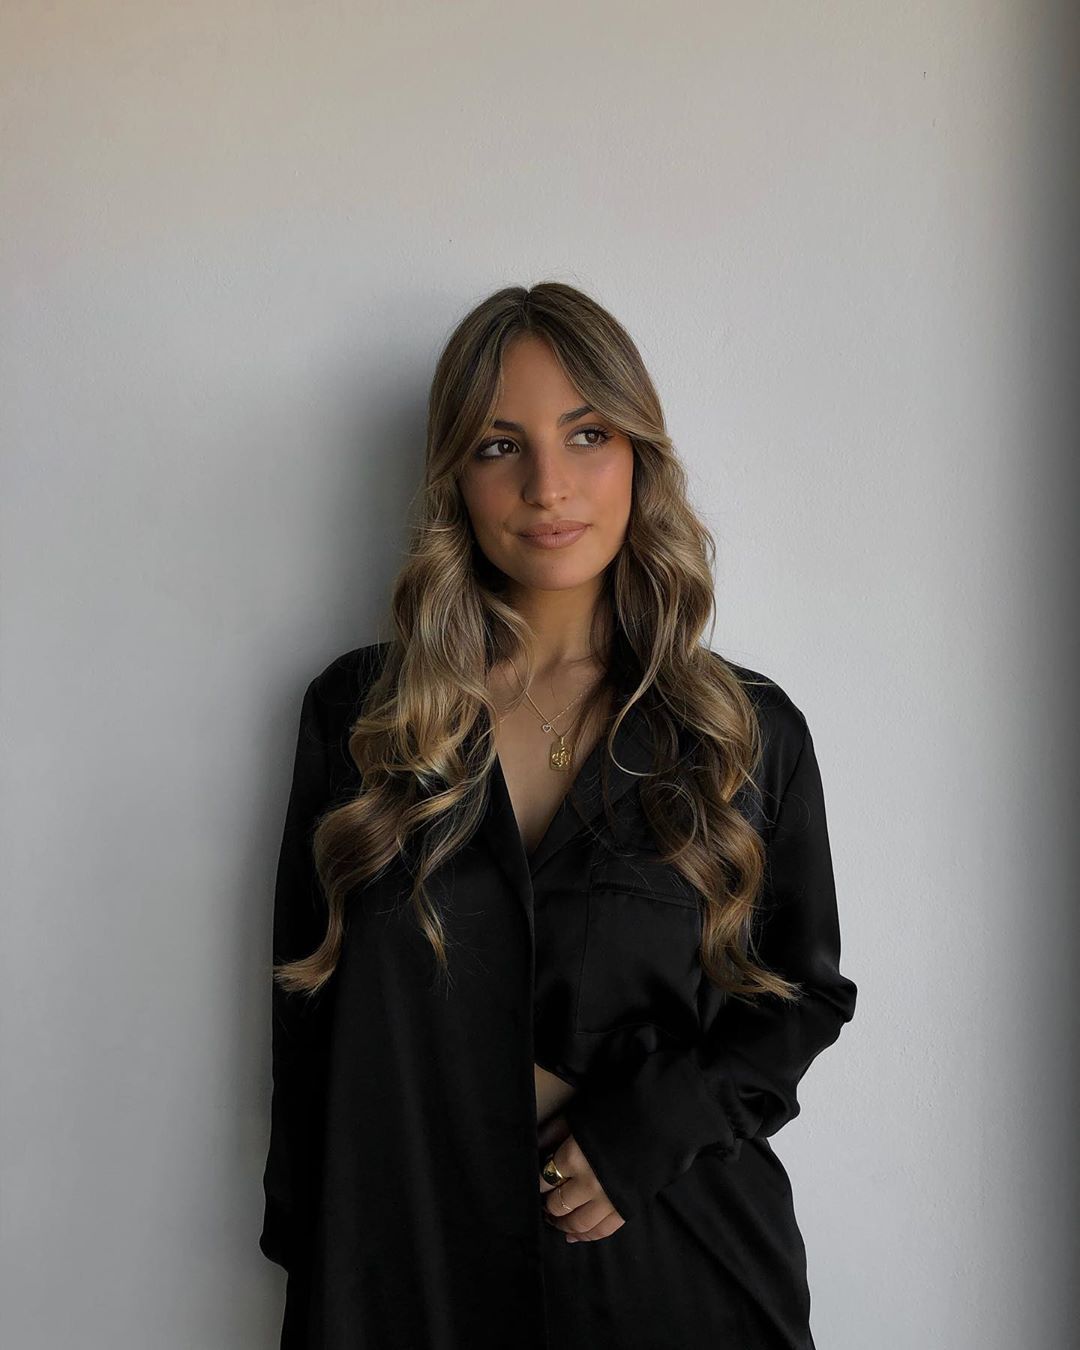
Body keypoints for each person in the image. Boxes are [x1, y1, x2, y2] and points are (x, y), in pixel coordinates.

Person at [258, 281, 858, 1349]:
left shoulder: (742, 732)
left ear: (638, 455)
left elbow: (801, 995)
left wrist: (651, 1127)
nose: (548, 486)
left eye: (587, 434)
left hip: (672, 1267)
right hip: (417, 1272)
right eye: (501, 446)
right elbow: (307, 1024)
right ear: (456, 476)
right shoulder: (363, 718)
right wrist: (327, 1270)